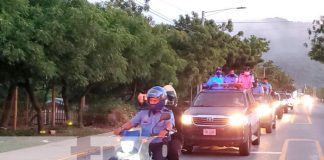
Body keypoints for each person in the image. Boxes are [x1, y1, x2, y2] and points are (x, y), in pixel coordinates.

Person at [113, 86, 175, 160]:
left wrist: (166, 130)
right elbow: (131, 123)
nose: (152, 102)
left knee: (159, 158)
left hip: (159, 143)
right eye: (151, 100)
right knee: (127, 155)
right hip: (143, 142)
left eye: (155, 100)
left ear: (162, 100)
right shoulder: (143, 112)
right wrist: (121, 128)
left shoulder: (167, 113)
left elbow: (169, 124)